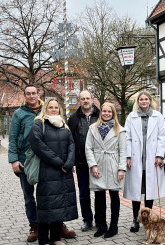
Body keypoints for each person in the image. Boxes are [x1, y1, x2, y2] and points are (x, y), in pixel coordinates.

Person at [28, 99, 78, 245]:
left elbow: (71, 144)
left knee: (60, 204)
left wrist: (69, 163)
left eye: (56, 107)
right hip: (47, 170)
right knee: (47, 205)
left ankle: (55, 238)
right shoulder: (39, 124)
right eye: (51, 107)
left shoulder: (64, 124)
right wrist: (58, 162)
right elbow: (38, 146)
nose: (54, 109)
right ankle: (43, 239)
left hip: (64, 171)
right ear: (45, 109)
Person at [124, 91, 165, 233]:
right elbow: (127, 137)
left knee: (150, 191)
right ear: (138, 101)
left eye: (146, 99)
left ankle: (148, 220)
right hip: (136, 158)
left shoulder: (158, 116)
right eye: (141, 99)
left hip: (152, 158)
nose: (143, 101)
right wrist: (128, 156)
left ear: (150, 101)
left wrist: (160, 155)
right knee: (135, 192)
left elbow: (162, 137)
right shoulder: (131, 116)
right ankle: (136, 220)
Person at [85, 102, 127, 238]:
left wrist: (121, 169)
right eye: (104, 111)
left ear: (113, 113)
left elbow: (123, 151)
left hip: (113, 165)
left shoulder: (119, 130)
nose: (107, 113)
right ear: (100, 112)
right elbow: (88, 148)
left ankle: (114, 226)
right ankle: (101, 225)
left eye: (109, 111)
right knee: (99, 196)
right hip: (98, 164)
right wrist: (93, 165)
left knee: (114, 195)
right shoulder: (92, 128)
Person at [8, 85, 42, 242]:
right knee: (29, 196)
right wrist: (14, 159)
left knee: (48, 195)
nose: (31, 96)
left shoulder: (46, 110)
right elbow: (13, 137)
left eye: (34, 93)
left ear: (38, 94)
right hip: (24, 160)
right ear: (25, 95)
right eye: (28, 94)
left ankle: (55, 224)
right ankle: (34, 226)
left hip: (44, 159)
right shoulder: (19, 114)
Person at [67, 90, 100, 231]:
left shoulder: (101, 116)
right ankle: (87, 219)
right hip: (81, 162)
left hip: (99, 162)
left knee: (99, 193)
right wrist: (71, 161)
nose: (85, 101)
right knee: (84, 193)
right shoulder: (73, 119)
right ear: (79, 101)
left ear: (92, 99)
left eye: (88, 98)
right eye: (83, 99)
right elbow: (69, 142)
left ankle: (100, 219)